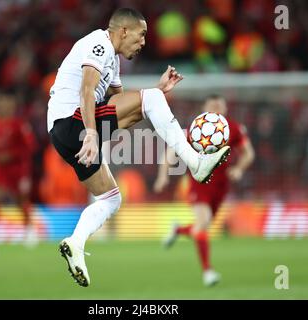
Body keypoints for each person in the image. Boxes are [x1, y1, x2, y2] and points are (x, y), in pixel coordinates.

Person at [47, 8, 230, 287]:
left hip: (64, 133)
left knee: (111, 198)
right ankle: (195, 163)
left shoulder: (114, 62)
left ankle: (75, 243)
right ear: (123, 31)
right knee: (151, 100)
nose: (144, 42)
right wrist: (92, 136)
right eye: (141, 34)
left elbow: (124, 108)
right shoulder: (99, 44)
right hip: (72, 122)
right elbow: (87, 90)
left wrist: (154, 93)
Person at [154, 94, 255, 286]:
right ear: (204, 108)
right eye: (212, 106)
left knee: (203, 225)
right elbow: (171, 150)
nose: (216, 109)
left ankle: (177, 229)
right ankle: (208, 271)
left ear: (225, 108)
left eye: (219, 106)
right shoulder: (195, 128)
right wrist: (162, 175)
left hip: (222, 184)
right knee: (203, 223)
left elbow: (249, 153)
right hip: (199, 181)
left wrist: (239, 169)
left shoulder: (233, 128)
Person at [0, 92, 38, 256]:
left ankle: (29, 230)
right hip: (1, 170)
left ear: (12, 106)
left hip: (18, 169)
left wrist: (12, 155)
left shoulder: (19, 124)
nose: (2, 107)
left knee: (21, 201)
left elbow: (31, 146)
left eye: (5, 104)